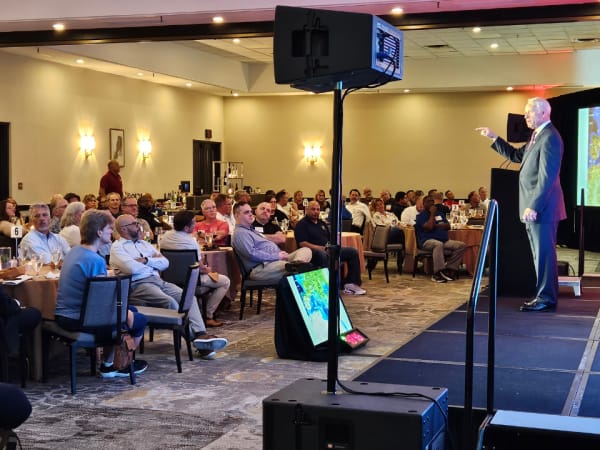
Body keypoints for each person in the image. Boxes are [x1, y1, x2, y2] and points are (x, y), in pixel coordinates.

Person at [477, 96, 566, 312]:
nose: (525, 116)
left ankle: (546, 298)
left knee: (544, 255)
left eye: (529, 112)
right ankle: (544, 296)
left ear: (543, 113)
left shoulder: (550, 137)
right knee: (539, 254)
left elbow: (547, 177)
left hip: (543, 209)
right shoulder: (537, 135)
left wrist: (533, 205)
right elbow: (516, 156)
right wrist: (494, 137)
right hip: (539, 208)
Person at [110, 214, 228, 358]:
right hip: (138, 284)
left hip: (158, 280)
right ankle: (197, 341)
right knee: (170, 301)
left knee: (188, 297)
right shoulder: (118, 248)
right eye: (134, 224)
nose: (138, 226)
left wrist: (146, 261)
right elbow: (132, 269)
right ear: (123, 229)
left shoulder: (144, 244)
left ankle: (201, 333)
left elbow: (165, 263)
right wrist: (153, 263)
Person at [55, 209, 147, 377]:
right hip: (78, 317)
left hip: (65, 313)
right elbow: (100, 302)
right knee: (139, 320)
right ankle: (120, 364)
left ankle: (110, 363)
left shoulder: (74, 252)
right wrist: (125, 313)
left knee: (130, 311)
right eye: (109, 228)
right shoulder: (95, 259)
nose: (112, 231)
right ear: (99, 232)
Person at [160, 210, 231, 328]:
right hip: (192, 280)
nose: (195, 225)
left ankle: (198, 310)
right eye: (193, 223)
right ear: (187, 228)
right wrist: (208, 269)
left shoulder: (165, 237)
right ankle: (208, 315)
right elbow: (199, 266)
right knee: (225, 281)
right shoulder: (191, 242)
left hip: (170, 279)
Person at [294, 201, 366, 295]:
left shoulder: (322, 223)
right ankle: (327, 285)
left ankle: (351, 284)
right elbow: (302, 244)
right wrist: (322, 248)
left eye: (318, 209)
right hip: (312, 252)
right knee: (322, 254)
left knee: (352, 252)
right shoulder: (302, 224)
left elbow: (329, 239)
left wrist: (332, 246)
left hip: (328, 249)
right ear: (307, 210)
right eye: (313, 209)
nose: (316, 212)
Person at [232, 202, 312, 284]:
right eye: (246, 212)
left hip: (275, 261)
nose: (250, 214)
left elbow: (281, 239)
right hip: (260, 268)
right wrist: (277, 256)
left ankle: (296, 265)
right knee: (288, 266)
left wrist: (279, 255)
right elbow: (252, 254)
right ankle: (296, 268)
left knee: (306, 251)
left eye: (250, 212)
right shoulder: (240, 233)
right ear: (236, 216)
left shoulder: (251, 230)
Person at [415, 195, 467, 283]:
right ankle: (438, 273)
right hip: (427, 241)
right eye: (428, 201)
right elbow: (429, 227)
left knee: (461, 245)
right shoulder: (420, 216)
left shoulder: (440, 214)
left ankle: (450, 269)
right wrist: (432, 214)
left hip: (444, 240)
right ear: (424, 204)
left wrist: (435, 225)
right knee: (438, 244)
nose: (431, 203)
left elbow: (448, 226)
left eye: (432, 201)